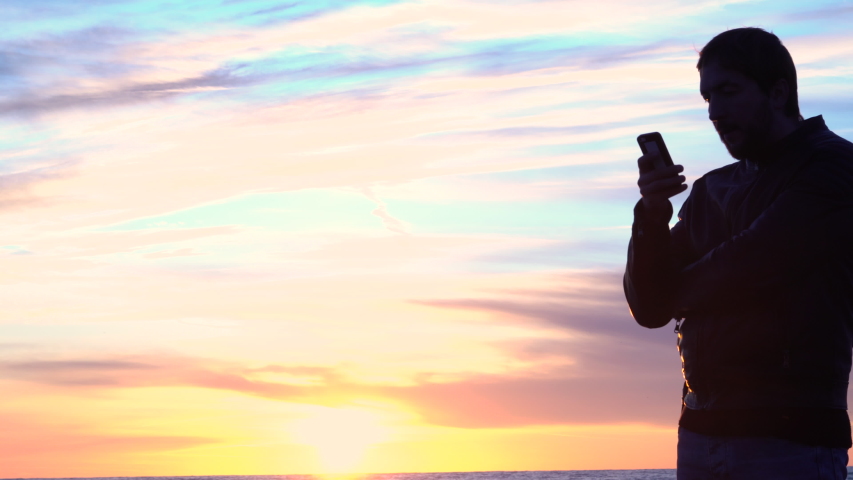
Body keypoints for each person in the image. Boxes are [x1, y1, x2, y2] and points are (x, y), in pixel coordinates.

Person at [623, 27, 853, 479]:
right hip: (697, 433)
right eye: (708, 98)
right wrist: (651, 215)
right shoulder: (713, 189)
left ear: (778, 91)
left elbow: (751, 264)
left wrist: (674, 292)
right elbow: (648, 307)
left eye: (727, 92)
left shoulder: (833, 166)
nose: (715, 112)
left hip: (790, 438)